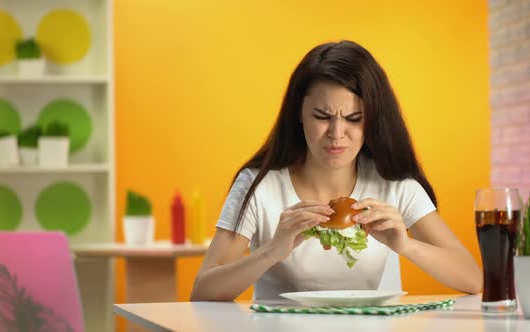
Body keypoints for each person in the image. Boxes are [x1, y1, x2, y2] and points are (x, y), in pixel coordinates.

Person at [190, 40, 482, 301]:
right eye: (322, 116)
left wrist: (405, 245)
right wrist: (271, 252)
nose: (337, 133)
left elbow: (472, 279)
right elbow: (203, 290)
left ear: (372, 121)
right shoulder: (258, 184)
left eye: (354, 118)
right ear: (299, 115)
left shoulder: (394, 184)